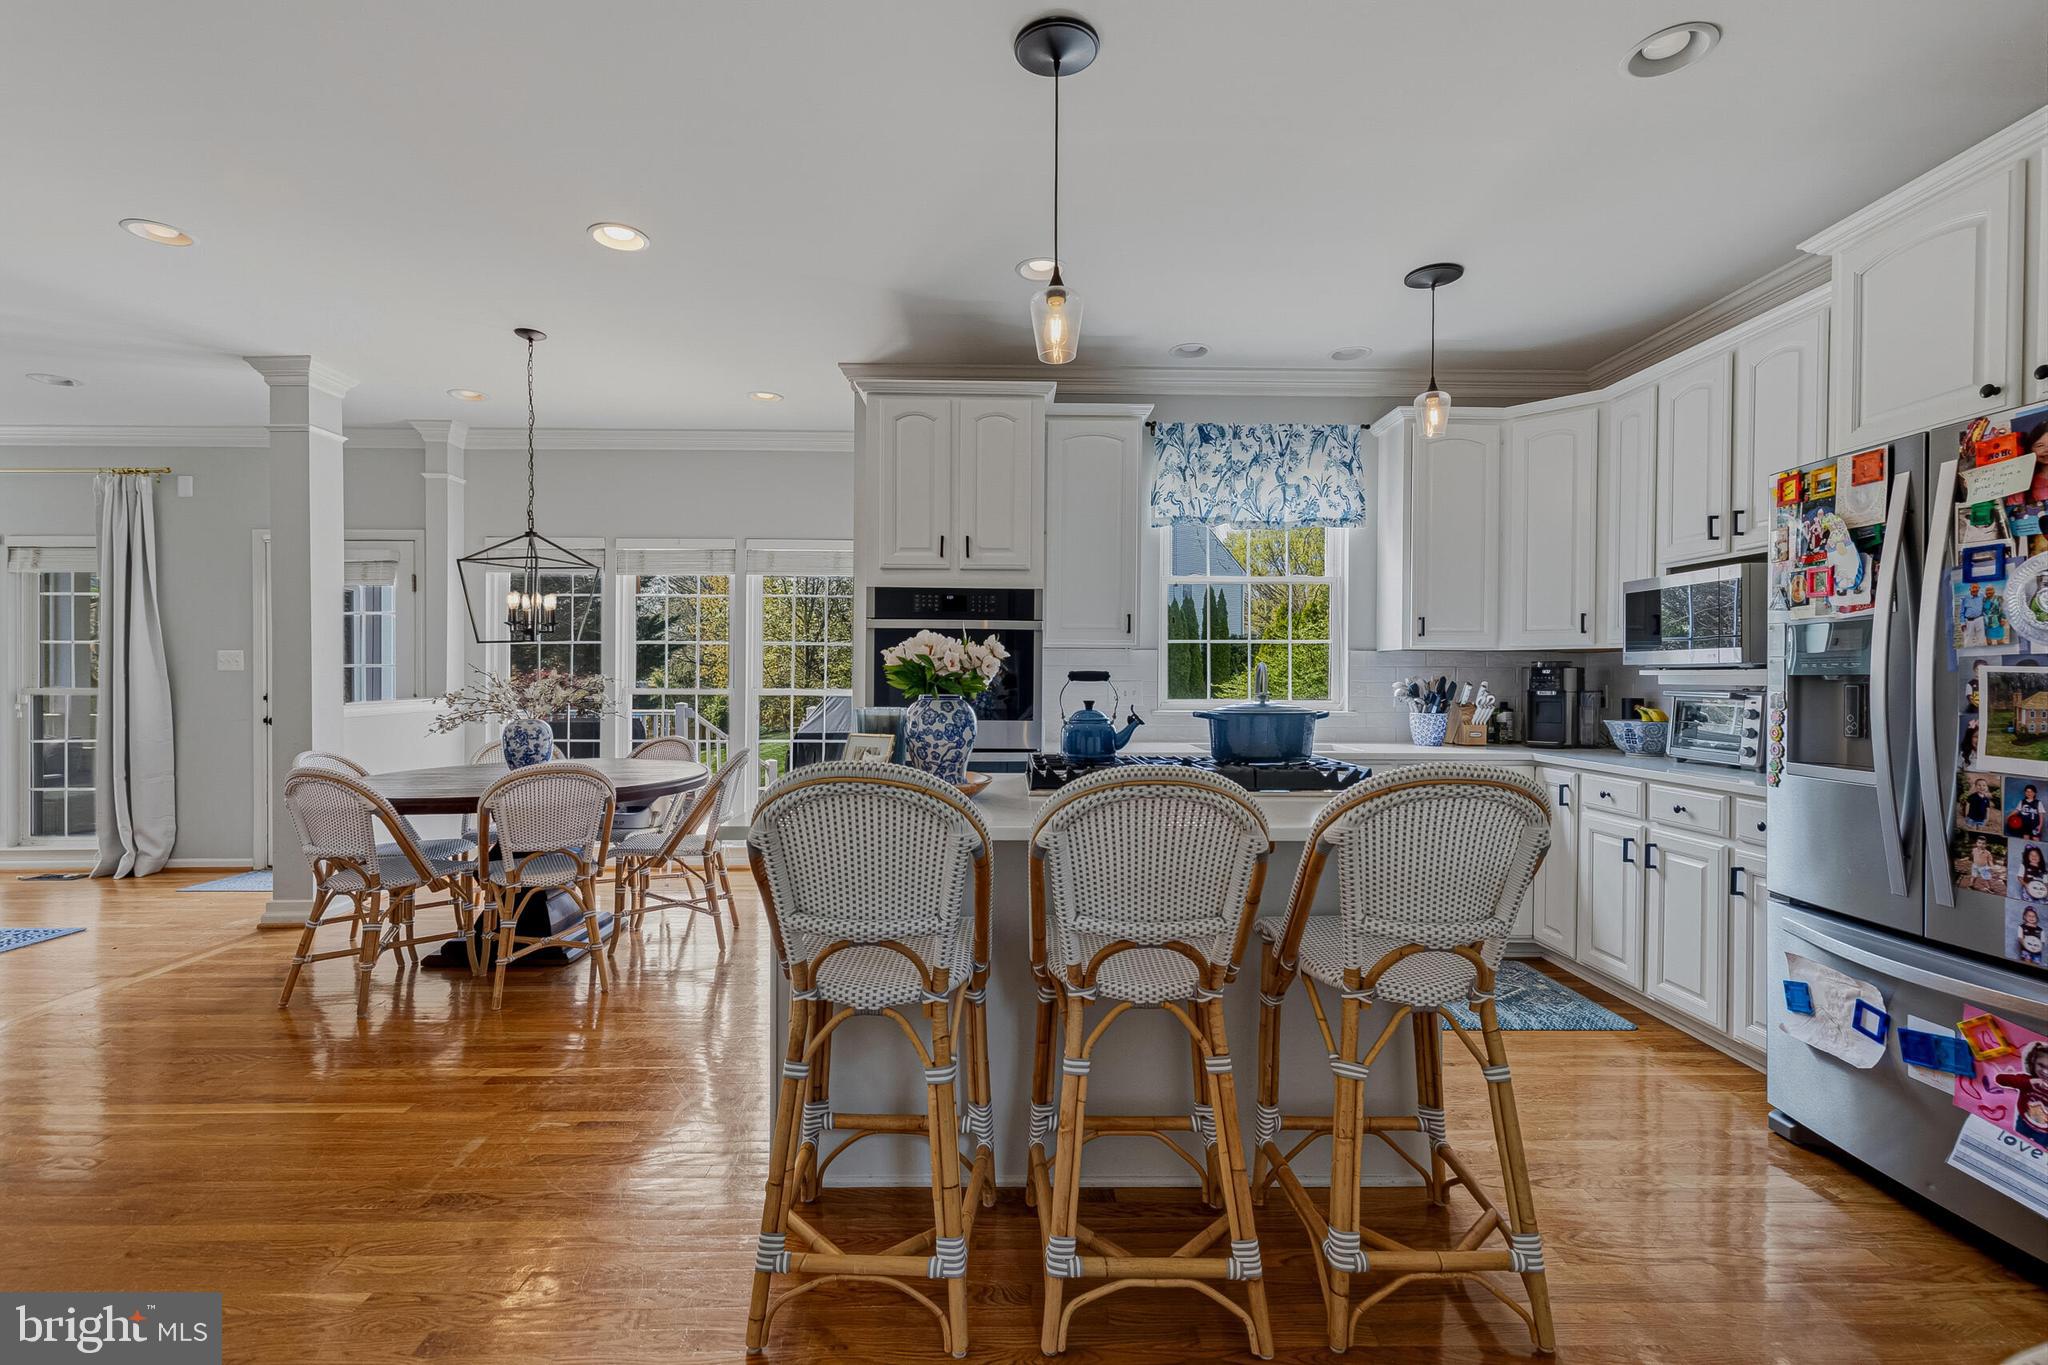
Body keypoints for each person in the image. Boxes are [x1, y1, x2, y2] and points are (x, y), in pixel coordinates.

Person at [1991, 1041, 2048, 1147]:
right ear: (2033, 1062)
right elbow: (2000, 1079)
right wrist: (2028, 1082)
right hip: (2023, 1122)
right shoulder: (2027, 1080)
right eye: (2041, 1065)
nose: (2045, 1072)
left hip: (2045, 1133)